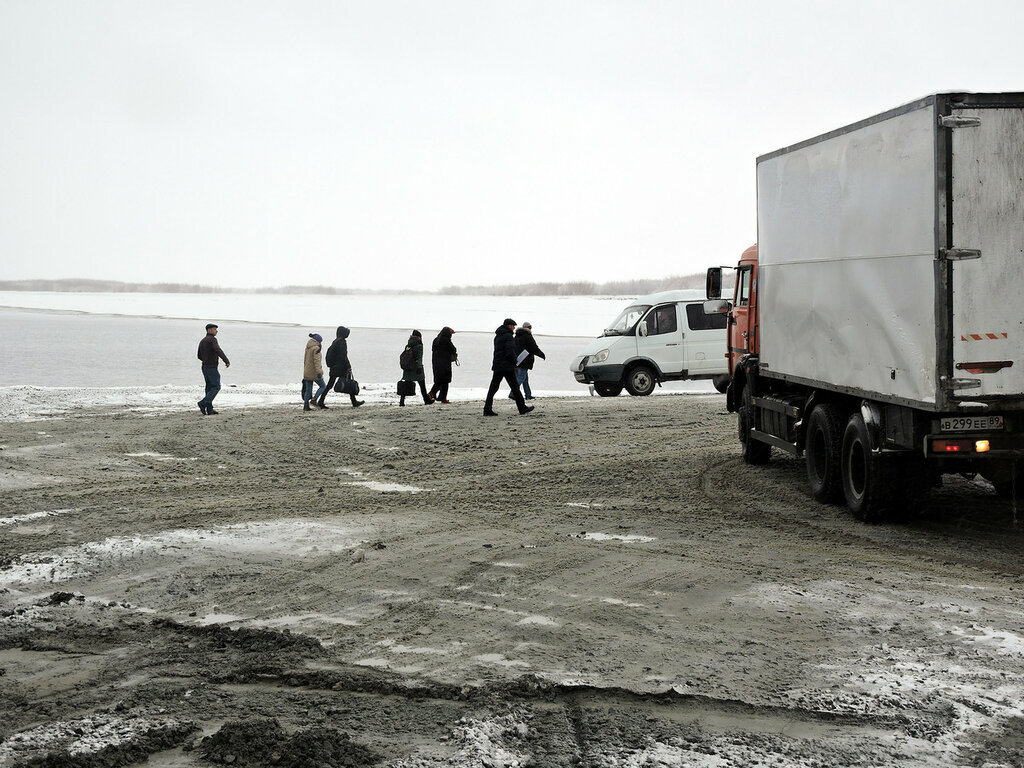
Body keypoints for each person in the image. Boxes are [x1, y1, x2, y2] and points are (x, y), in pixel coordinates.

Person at [484, 318, 534, 416]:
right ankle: (522, 408)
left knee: (493, 388)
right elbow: (509, 351)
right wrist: (515, 360)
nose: (514, 328)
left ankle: (487, 408)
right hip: (507, 366)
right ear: (509, 326)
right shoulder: (508, 336)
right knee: (515, 387)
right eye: (513, 326)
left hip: (498, 365)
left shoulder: (498, 336)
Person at [318, 326, 364, 408]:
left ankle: (321, 401)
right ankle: (354, 402)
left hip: (334, 367)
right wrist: (348, 366)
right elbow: (343, 356)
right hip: (341, 367)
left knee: (330, 385)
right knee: (349, 383)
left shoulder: (335, 341)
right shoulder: (342, 342)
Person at [197, 323, 230, 415]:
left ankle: (209, 409)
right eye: (214, 329)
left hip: (204, 367)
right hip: (211, 367)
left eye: (216, 329)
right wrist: (226, 360)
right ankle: (203, 403)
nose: (216, 331)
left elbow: (199, 355)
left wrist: (206, 359)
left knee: (209, 388)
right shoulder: (212, 340)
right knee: (216, 386)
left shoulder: (203, 340)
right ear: (209, 330)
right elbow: (218, 350)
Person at [510, 321, 545, 400]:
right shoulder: (528, 336)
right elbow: (534, 347)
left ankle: (528, 395)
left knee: (525, 379)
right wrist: (541, 354)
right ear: (529, 328)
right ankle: (512, 393)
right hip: (525, 360)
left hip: (517, 360)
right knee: (521, 378)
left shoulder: (517, 336)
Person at [399, 330, 434, 406]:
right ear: (419, 337)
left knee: (406, 385)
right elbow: (419, 358)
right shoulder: (419, 346)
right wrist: (419, 367)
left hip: (408, 368)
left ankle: (401, 402)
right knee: (422, 385)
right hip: (416, 369)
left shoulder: (408, 345)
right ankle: (426, 400)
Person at [428, 327, 458, 404]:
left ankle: (435, 395)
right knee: (445, 381)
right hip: (445, 364)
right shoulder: (447, 340)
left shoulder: (436, 340)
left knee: (439, 380)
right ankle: (439, 396)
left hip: (436, 363)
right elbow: (453, 349)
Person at [301, 333, 327, 411]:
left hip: (307, 371)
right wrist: (320, 372)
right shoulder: (316, 349)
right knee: (323, 386)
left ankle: (306, 406)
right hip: (314, 372)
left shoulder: (308, 348)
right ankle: (314, 399)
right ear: (318, 341)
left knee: (308, 389)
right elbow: (317, 362)